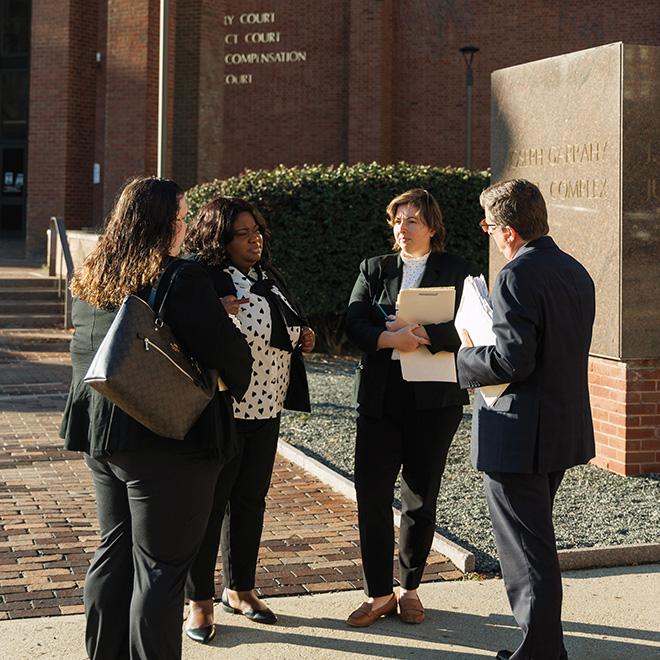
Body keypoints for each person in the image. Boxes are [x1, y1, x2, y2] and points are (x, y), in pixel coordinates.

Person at [59, 176, 253, 660]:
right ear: (163, 224)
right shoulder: (180, 278)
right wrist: (218, 317)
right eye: (183, 218)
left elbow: (87, 352)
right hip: (168, 441)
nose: (186, 227)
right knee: (161, 569)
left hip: (103, 436)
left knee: (114, 554)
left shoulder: (91, 276)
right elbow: (231, 359)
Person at [456, 179, 596, 660]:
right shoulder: (575, 271)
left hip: (518, 434)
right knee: (535, 544)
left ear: (510, 231)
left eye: (491, 226)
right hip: (559, 429)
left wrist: (464, 360)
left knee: (527, 552)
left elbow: (514, 361)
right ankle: (543, 647)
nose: (490, 234)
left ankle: (540, 652)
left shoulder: (516, 276)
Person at [182, 196, 315, 643]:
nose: (255, 237)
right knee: (209, 504)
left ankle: (240, 588)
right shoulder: (206, 278)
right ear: (220, 237)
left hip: (267, 408)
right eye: (243, 232)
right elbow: (189, 332)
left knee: (251, 501)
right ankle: (199, 600)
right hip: (223, 410)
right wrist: (214, 317)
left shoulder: (267, 276)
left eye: (257, 229)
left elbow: (284, 326)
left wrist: (304, 334)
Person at [345, 188, 476, 627]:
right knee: (372, 494)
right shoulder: (374, 268)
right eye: (397, 220)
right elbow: (354, 322)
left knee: (420, 498)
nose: (402, 228)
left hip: (435, 402)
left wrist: (423, 335)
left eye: (412, 220)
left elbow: (473, 328)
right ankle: (379, 593)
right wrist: (390, 339)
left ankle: (410, 590)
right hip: (381, 400)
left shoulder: (458, 270)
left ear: (432, 227)